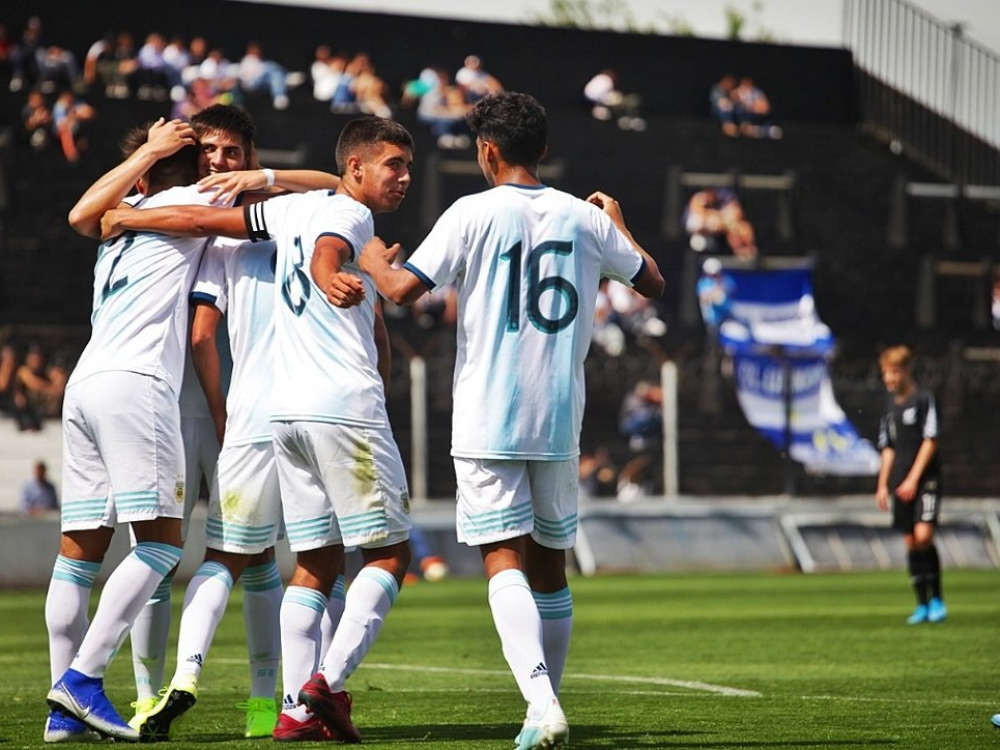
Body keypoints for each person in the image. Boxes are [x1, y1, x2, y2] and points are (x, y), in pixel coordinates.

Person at [355, 91, 664, 750]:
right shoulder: (585, 217)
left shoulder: (471, 211)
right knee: (551, 567)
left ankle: (541, 703)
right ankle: (542, 706)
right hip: (558, 415)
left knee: (503, 559)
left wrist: (374, 259)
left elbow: (403, 290)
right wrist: (618, 224)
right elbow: (652, 283)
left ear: (487, 151)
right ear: (542, 149)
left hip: (489, 413)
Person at [101, 114, 416, 744]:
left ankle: (221, 691)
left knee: (270, 561)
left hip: (265, 413)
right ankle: (312, 688)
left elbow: (200, 289)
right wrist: (328, 273)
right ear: (358, 168)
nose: (404, 177)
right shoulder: (341, 213)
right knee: (376, 554)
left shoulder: (258, 226)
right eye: (396, 166)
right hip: (332, 403)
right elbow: (333, 248)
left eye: (230, 153)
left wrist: (128, 218)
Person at [68, 104, 341, 740]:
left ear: (250, 157)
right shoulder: (189, 216)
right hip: (178, 405)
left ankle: (257, 707)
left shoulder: (256, 221)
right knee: (164, 557)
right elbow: (197, 331)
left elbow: (333, 189)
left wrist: (260, 181)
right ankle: (148, 697)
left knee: (253, 560)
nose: (218, 162)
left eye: (231, 153)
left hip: (225, 409)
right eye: (208, 152)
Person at [43, 125, 218, 743]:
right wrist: (263, 178)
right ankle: (82, 680)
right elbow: (324, 187)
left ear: (143, 175)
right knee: (162, 546)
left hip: (86, 383)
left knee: (78, 554)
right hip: (137, 384)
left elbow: (80, 214)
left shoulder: (119, 218)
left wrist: (145, 154)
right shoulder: (198, 201)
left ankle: (62, 715)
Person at [876, 346, 946, 625]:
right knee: (910, 541)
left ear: (907, 371)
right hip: (899, 482)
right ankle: (922, 604)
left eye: (894, 372)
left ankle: (938, 599)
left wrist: (914, 479)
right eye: (885, 373)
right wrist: (882, 484)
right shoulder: (889, 407)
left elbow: (931, 440)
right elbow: (888, 447)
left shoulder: (923, 399)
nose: (889, 378)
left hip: (925, 480)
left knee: (924, 535)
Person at [683, 187, 757, 259]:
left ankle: (744, 250)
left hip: (725, 225)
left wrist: (721, 219)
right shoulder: (699, 198)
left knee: (739, 226)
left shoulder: (722, 195)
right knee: (698, 242)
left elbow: (737, 212)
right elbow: (699, 217)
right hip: (703, 234)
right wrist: (713, 218)